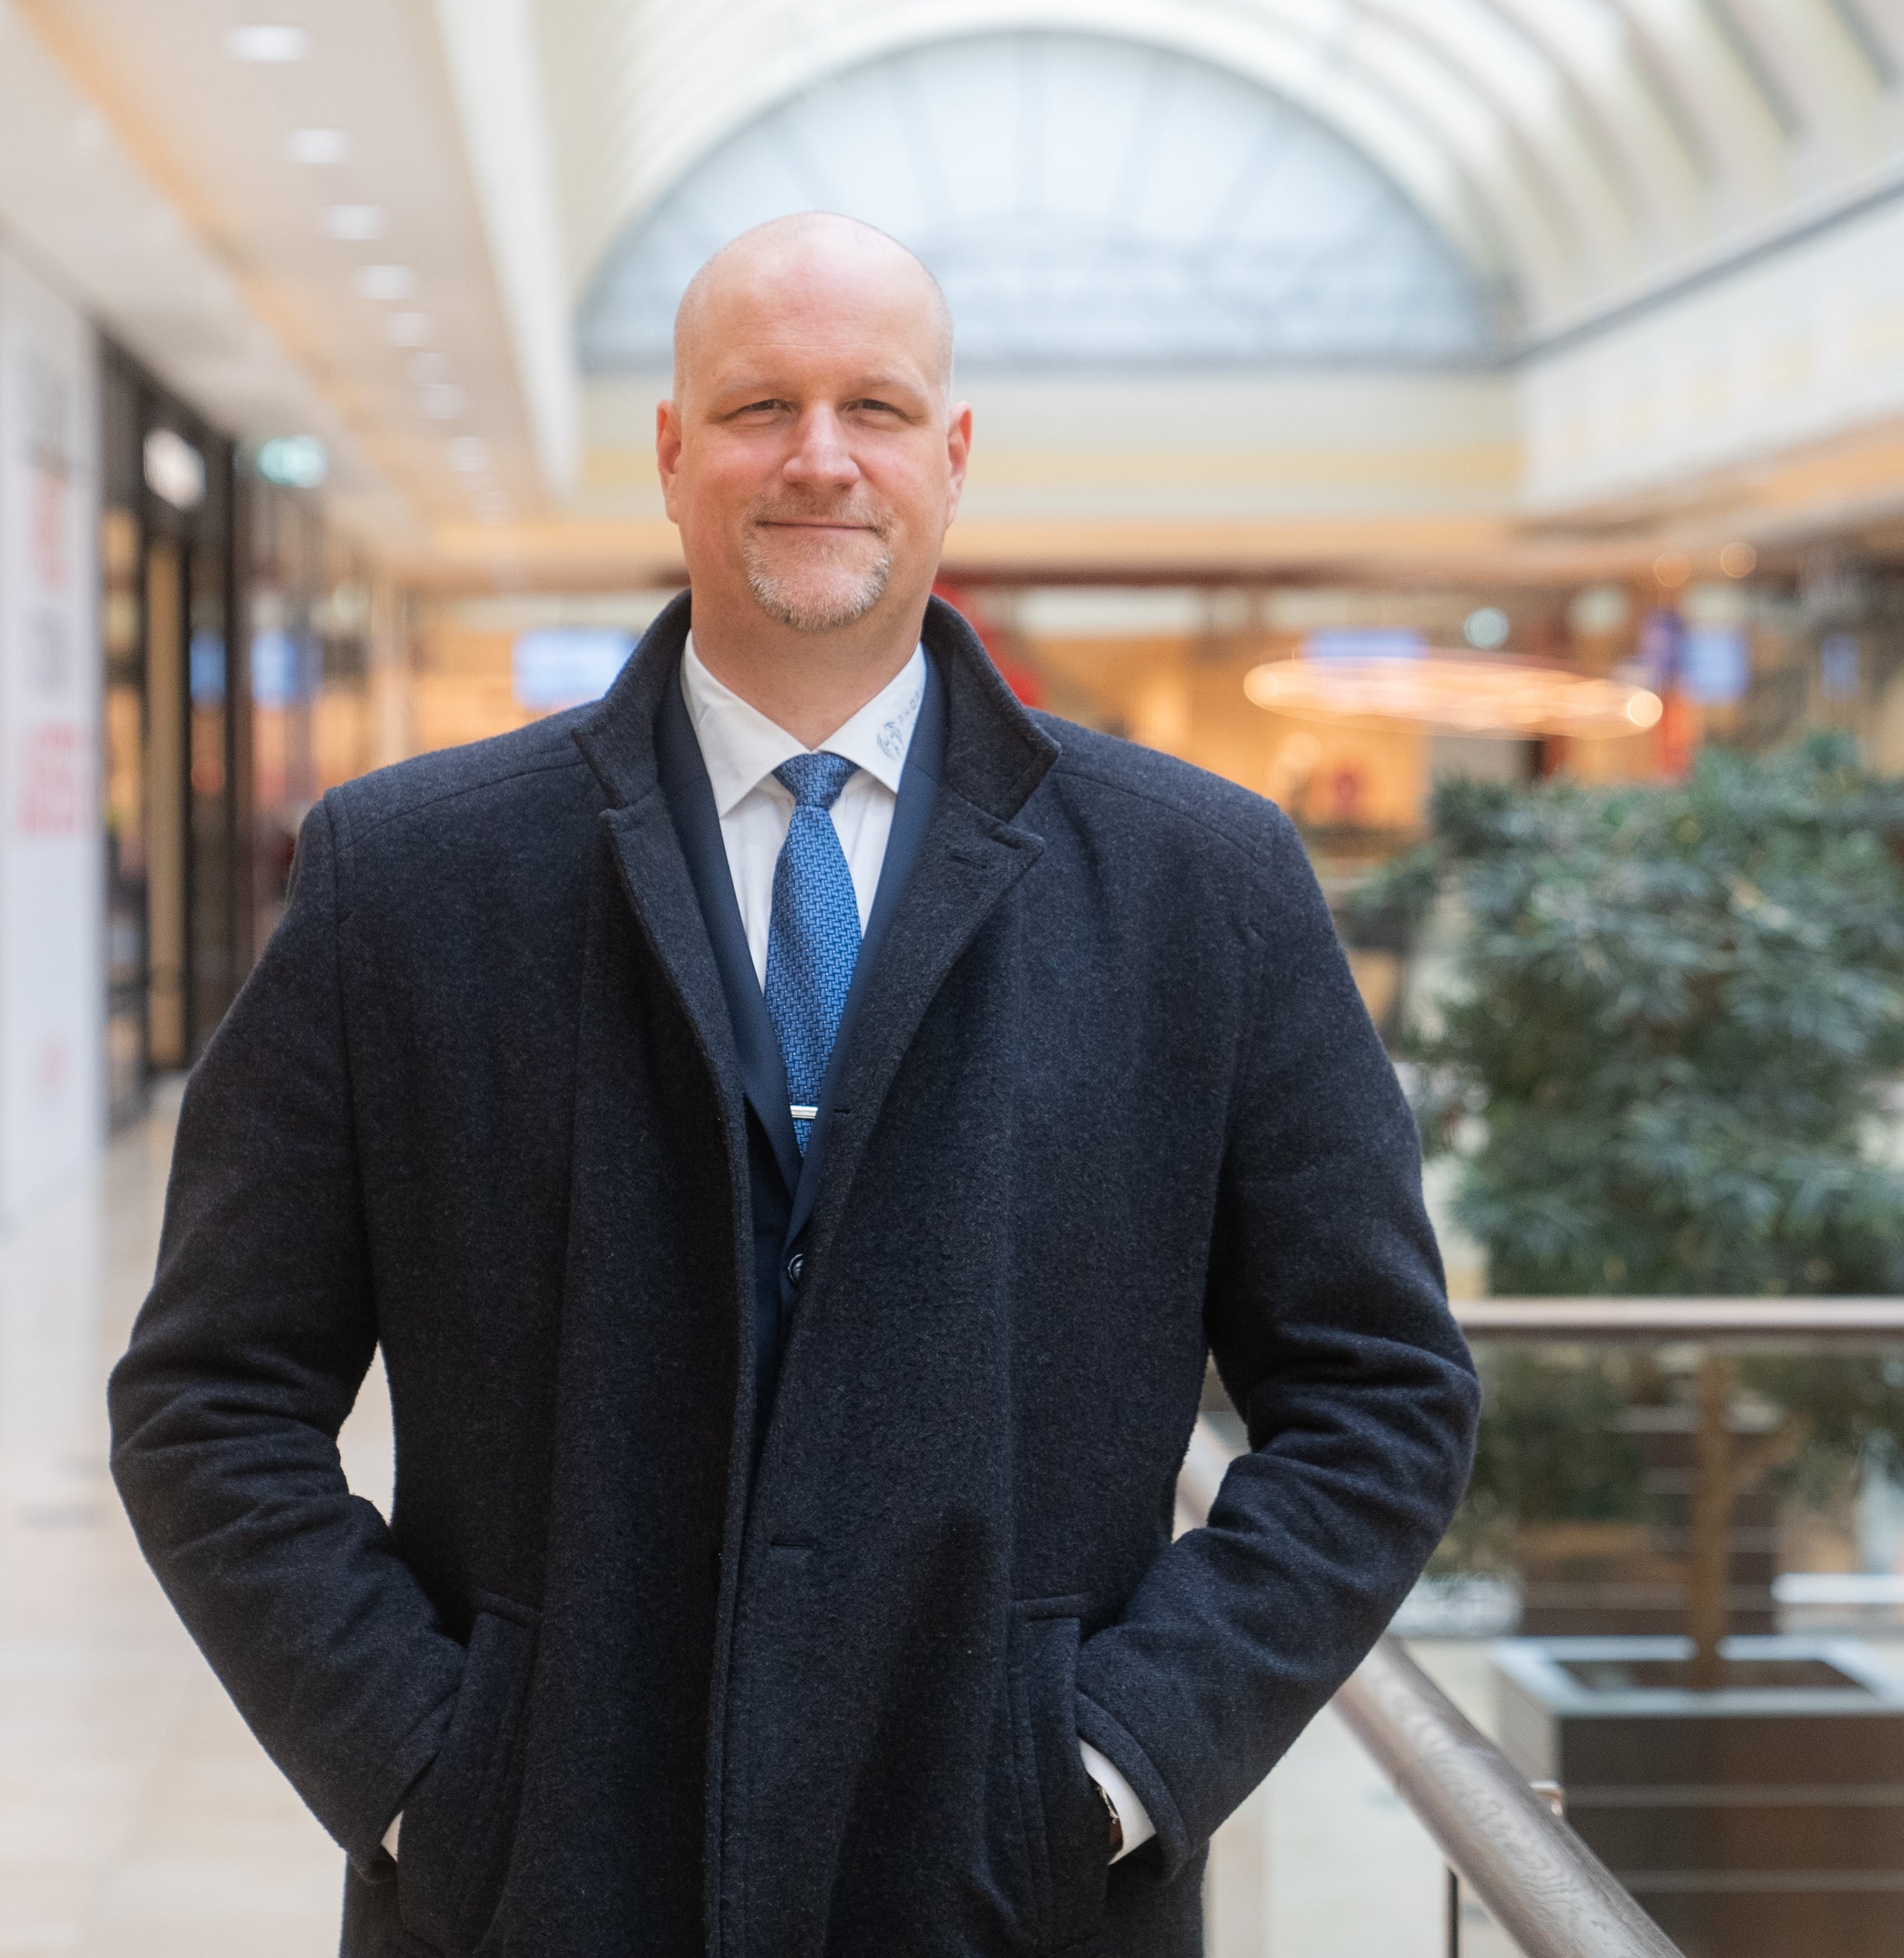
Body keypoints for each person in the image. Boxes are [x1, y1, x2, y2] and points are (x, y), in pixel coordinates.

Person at [109, 213, 1477, 1957]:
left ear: (951, 460)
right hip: (539, 1896)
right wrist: (426, 1773)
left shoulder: (1199, 881)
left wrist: (1124, 1762)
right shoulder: (412, 878)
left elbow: (1380, 1396)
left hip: (1013, 1899)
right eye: (758, 406)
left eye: (875, 409)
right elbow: (207, 1398)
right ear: (672, 454)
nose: (818, 459)